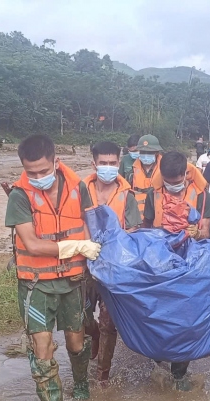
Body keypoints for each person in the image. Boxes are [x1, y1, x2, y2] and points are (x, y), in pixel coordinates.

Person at [5, 134, 101, 401]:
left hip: (72, 282)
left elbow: (93, 226)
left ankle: (82, 384)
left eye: (42, 171)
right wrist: (73, 246)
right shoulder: (19, 196)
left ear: (55, 162)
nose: (36, 178)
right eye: (30, 173)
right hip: (35, 285)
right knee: (42, 351)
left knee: (76, 342)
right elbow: (31, 243)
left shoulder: (79, 188)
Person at [142, 151, 210, 390]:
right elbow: (146, 227)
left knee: (185, 319)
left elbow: (207, 233)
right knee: (158, 315)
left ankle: (180, 374)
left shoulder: (202, 197)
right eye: (168, 182)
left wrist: (196, 232)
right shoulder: (154, 195)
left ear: (185, 174)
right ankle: (158, 359)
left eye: (176, 181)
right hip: (160, 264)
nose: (172, 186)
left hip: (189, 267)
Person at [83, 141, 143, 382]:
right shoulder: (80, 191)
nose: (108, 167)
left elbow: (134, 230)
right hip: (84, 265)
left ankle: (102, 375)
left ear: (119, 163)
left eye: (112, 163)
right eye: (103, 163)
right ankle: (93, 334)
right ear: (94, 164)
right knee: (82, 318)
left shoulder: (127, 195)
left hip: (115, 268)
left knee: (110, 323)